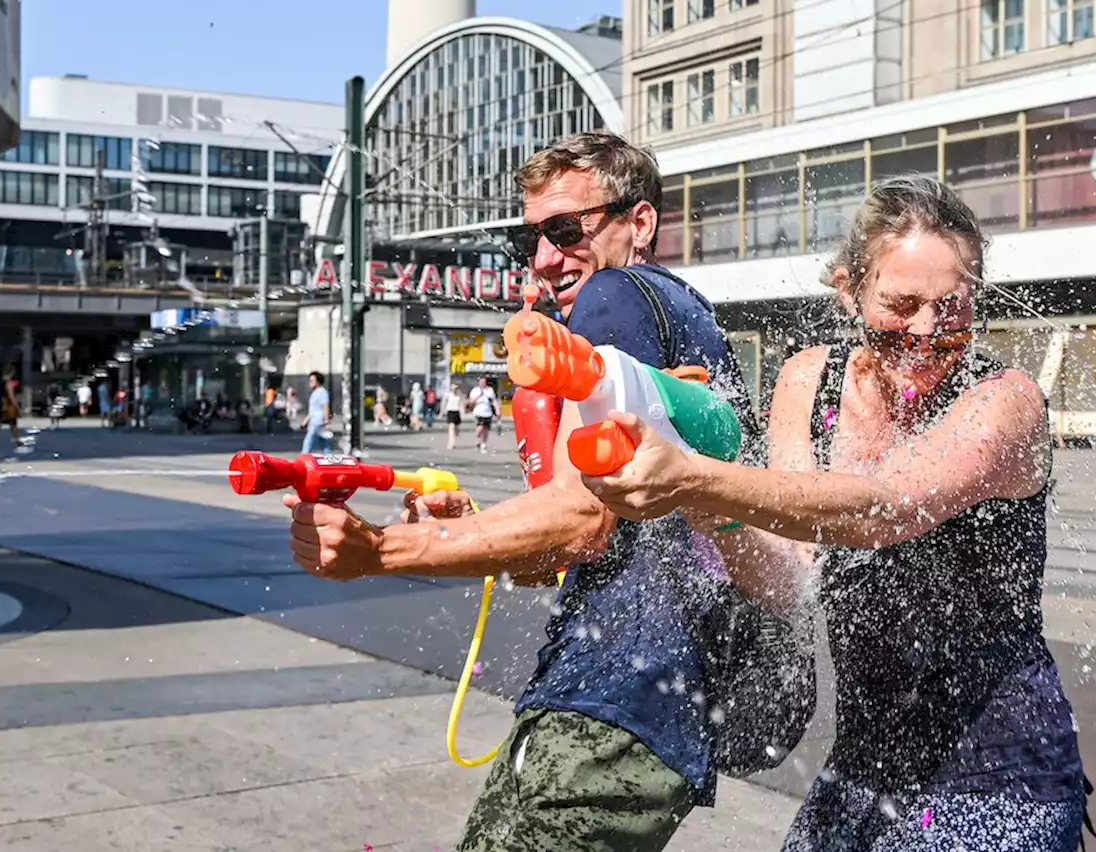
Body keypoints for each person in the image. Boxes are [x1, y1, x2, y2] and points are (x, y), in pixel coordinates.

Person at [579, 176, 1090, 852]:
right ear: (850, 290)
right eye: (902, 304)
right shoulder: (807, 380)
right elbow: (789, 576)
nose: (928, 333)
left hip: (999, 781)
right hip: (862, 770)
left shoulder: (1006, 400)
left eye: (953, 308)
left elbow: (885, 509)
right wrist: (712, 511)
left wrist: (702, 479)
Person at [283, 130, 760, 851]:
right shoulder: (681, 309)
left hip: (611, 700)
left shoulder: (615, 295)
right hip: (648, 708)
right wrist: (479, 524)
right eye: (529, 238)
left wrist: (383, 548)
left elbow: (578, 524)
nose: (542, 259)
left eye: (565, 230)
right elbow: (584, 542)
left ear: (639, 223)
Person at [0, 366, 30, 459]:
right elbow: (12, 397)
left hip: (0, 406)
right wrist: (18, 408)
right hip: (8, 408)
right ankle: (19, 445)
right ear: (10, 373)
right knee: (13, 426)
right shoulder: (8, 383)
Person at [300, 371, 332, 455]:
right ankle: (329, 457)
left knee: (309, 440)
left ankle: (303, 457)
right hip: (314, 420)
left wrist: (327, 420)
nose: (309, 383)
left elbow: (325, 406)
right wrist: (306, 421)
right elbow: (312, 410)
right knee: (324, 442)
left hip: (318, 421)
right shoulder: (315, 393)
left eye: (312, 381)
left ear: (318, 382)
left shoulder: (322, 392)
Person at [468, 376, 498, 453]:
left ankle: (484, 444)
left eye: (484, 382)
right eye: (481, 381)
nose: (483, 383)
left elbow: (494, 401)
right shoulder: (475, 390)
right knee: (480, 428)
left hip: (488, 412)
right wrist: (479, 396)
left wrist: (497, 410)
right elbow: (471, 402)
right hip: (478, 412)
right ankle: (478, 440)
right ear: (479, 382)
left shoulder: (490, 390)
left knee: (486, 429)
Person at [442, 383, 464, 450]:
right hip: (450, 411)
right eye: (453, 388)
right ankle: (451, 443)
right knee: (451, 427)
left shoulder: (459, 396)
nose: (454, 390)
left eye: (456, 388)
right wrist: (442, 411)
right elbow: (444, 403)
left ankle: (457, 432)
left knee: (456, 428)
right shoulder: (447, 395)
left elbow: (461, 404)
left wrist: (462, 413)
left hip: (457, 412)